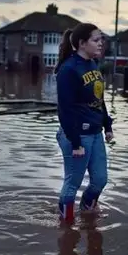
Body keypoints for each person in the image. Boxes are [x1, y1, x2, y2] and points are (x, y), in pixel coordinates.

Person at [54, 23, 114, 224]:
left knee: (100, 180)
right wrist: (76, 142)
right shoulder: (68, 69)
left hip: (95, 134)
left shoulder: (93, 65)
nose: (101, 44)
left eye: (101, 40)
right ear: (81, 43)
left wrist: (108, 126)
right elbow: (65, 110)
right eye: (96, 40)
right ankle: (66, 227)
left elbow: (99, 99)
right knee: (73, 184)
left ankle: (87, 218)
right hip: (76, 136)